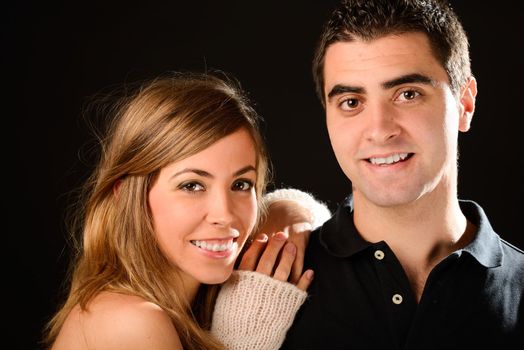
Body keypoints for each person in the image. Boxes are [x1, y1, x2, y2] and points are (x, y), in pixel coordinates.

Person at [278, 0, 524, 348]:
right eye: (351, 102)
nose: (379, 130)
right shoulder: (273, 287)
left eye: (408, 94)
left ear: (465, 104)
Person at [42, 72, 331, 350]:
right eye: (192, 185)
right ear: (127, 196)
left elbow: (292, 209)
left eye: (241, 184)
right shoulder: (130, 321)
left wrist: (290, 211)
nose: (225, 214)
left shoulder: (185, 307)